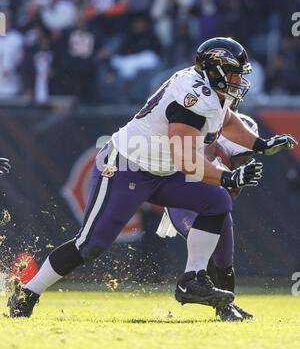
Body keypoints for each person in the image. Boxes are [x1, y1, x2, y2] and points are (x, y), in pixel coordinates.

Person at [8, 37, 297, 318]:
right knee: (90, 245)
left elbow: (226, 118)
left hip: (163, 171)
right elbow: (186, 159)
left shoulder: (210, 91)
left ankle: (192, 278)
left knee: (217, 203)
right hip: (127, 167)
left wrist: (259, 144)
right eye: (233, 73)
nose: (237, 81)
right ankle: (28, 292)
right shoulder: (192, 98)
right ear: (213, 70)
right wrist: (228, 177)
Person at [157, 111, 259, 321]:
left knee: (224, 258)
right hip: (182, 204)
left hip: (208, 206)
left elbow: (226, 199)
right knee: (209, 250)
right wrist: (228, 177)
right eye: (244, 155)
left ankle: (227, 304)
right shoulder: (207, 150)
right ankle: (209, 298)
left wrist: (235, 181)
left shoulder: (226, 157)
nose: (246, 160)